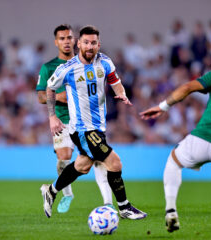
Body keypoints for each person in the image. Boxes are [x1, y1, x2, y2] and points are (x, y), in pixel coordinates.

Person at [40, 25, 147, 220]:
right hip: (82, 129)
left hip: (98, 127)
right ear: (78, 43)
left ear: (99, 44)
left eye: (93, 43)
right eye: (86, 42)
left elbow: (115, 81)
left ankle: (52, 190)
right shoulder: (67, 68)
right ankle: (124, 207)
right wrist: (52, 116)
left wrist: (121, 94)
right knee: (114, 163)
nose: (90, 46)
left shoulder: (105, 62)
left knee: (82, 165)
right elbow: (49, 89)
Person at [140, 43, 211, 233]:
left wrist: (163, 106)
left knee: (173, 161)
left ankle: (171, 210)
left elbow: (188, 87)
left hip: (200, 139)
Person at [36, 24, 113, 213]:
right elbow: (41, 96)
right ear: (56, 42)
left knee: (98, 159)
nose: (66, 41)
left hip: (89, 121)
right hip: (63, 119)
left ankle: (108, 203)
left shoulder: (89, 62)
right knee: (65, 156)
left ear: (76, 41)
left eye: (69, 38)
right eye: (62, 38)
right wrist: (59, 106)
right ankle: (67, 193)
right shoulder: (49, 67)